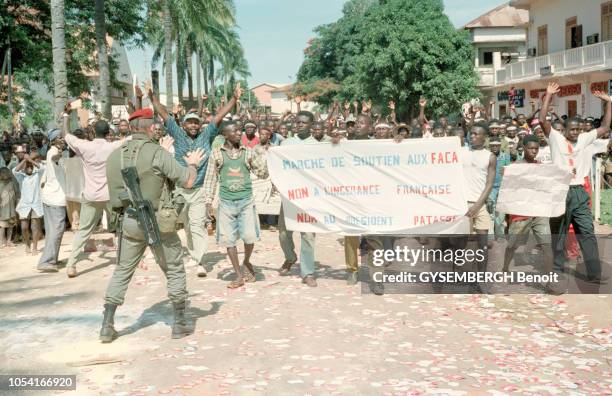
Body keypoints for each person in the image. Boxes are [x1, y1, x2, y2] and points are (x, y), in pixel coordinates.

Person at [101, 108, 205, 343]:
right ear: (150, 128)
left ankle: (107, 325)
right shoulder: (157, 153)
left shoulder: (115, 156)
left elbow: (114, 197)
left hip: (129, 220)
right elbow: (188, 180)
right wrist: (193, 164)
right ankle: (179, 323)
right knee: (174, 268)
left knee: (122, 270)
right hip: (159, 221)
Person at [149, 81, 242, 277]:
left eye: (196, 122)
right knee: (185, 226)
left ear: (201, 125)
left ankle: (199, 260)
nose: (193, 125)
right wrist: (152, 98)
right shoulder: (177, 134)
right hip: (179, 191)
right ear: (183, 125)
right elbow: (164, 114)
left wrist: (234, 99)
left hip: (199, 190)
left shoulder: (206, 135)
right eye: (189, 122)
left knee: (198, 225)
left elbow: (218, 116)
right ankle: (188, 255)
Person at [539, 82, 611, 286]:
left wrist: (609, 103)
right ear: (565, 130)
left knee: (586, 232)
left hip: (579, 192)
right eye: (572, 129)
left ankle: (594, 273)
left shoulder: (585, 138)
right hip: (560, 192)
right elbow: (542, 119)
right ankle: (556, 273)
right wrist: (548, 95)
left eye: (579, 129)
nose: (576, 132)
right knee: (559, 235)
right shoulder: (555, 138)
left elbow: (605, 127)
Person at [62, 107, 126, 278]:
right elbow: (131, 139)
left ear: (93, 132)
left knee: (83, 231)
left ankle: (71, 265)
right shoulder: (113, 146)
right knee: (121, 228)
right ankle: (127, 260)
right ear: (108, 133)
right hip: (109, 196)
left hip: (90, 195)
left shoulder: (84, 146)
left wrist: (66, 115)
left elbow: (66, 134)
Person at [203, 121, 269, 288]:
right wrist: (208, 203)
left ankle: (246, 261)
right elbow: (210, 179)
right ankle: (238, 275)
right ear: (225, 135)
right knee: (228, 240)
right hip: (226, 203)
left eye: (240, 130)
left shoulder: (248, 153)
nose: (240, 133)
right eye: (235, 131)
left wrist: (267, 159)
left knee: (249, 236)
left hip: (246, 201)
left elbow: (261, 173)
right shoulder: (216, 154)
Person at [277, 111, 319, 287]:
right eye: (298, 122)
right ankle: (290, 257)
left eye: (304, 122)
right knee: (283, 233)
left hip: (309, 198)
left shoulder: (317, 146)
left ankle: (308, 272)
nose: (300, 125)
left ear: (311, 125)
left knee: (308, 235)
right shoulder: (286, 143)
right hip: (289, 196)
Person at [502, 135, 553, 278]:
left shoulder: (541, 167)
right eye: (530, 148)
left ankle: (550, 279)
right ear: (523, 148)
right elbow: (508, 191)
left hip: (539, 212)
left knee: (546, 245)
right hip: (521, 214)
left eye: (536, 149)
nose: (534, 151)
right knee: (512, 245)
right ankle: (505, 268)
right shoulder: (515, 167)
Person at [462, 122, 496, 276]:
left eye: (476, 134)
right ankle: (459, 275)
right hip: (462, 204)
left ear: (485, 137)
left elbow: (489, 184)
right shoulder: (461, 152)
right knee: (461, 244)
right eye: (471, 133)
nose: (472, 136)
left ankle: (481, 277)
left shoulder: (490, 157)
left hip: (479, 204)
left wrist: (477, 206)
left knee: (482, 245)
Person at [38, 129, 67, 272]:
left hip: (50, 197)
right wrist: (59, 154)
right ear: (53, 140)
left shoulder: (54, 151)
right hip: (55, 199)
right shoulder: (54, 152)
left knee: (52, 230)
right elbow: (54, 158)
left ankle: (52, 259)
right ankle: (47, 261)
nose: (62, 139)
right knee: (57, 229)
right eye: (59, 137)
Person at [12, 153, 44, 254]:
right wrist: (25, 160)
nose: (29, 167)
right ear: (24, 167)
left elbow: (42, 167)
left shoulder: (37, 174)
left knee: (35, 227)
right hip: (24, 205)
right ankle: (27, 244)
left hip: (36, 204)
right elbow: (14, 170)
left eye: (31, 166)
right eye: (27, 166)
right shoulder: (21, 177)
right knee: (24, 227)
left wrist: (30, 160)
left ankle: (34, 247)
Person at [487, 137, 511, 241]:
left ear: (500, 146)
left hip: (502, 187)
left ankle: (500, 234)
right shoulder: (487, 156)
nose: (495, 147)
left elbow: (508, 171)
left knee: (501, 213)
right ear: (490, 146)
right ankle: (490, 234)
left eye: (497, 145)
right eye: (493, 145)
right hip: (490, 187)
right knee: (490, 211)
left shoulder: (505, 156)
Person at [64, 129, 86, 230]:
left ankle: (75, 224)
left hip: (71, 186)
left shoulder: (69, 155)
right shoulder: (83, 154)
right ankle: (76, 224)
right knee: (77, 207)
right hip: (79, 186)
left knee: (73, 207)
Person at [0, 167, 18, 248]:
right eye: (3, 173)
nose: (5, 174)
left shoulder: (12, 183)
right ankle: (2, 241)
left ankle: (9, 241)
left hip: (12, 208)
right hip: (2, 209)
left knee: (11, 225)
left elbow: (17, 193)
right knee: (2, 226)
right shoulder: (0, 184)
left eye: (6, 172)